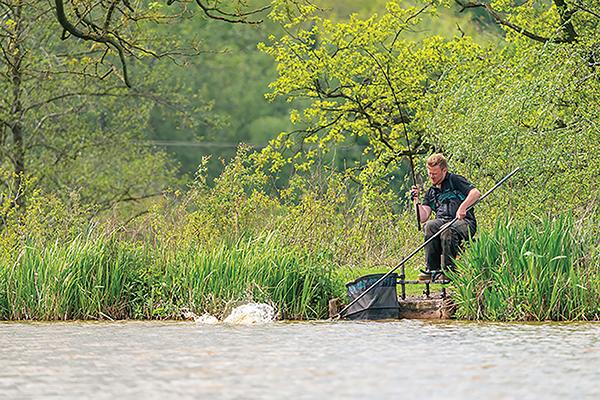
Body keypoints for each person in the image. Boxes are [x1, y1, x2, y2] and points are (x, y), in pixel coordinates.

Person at [410, 154, 481, 281]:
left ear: (444, 170)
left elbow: (475, 193)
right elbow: (423, 217)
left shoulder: (455, 180)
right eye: (430, 173)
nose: (432, 177)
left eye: (435, 174)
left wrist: (463, 207)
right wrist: (416, 201)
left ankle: (449, 271)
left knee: (447, 229)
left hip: (464, 222)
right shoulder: (431, 192)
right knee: (429, 226)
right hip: (442, 221)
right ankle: (432, 270)